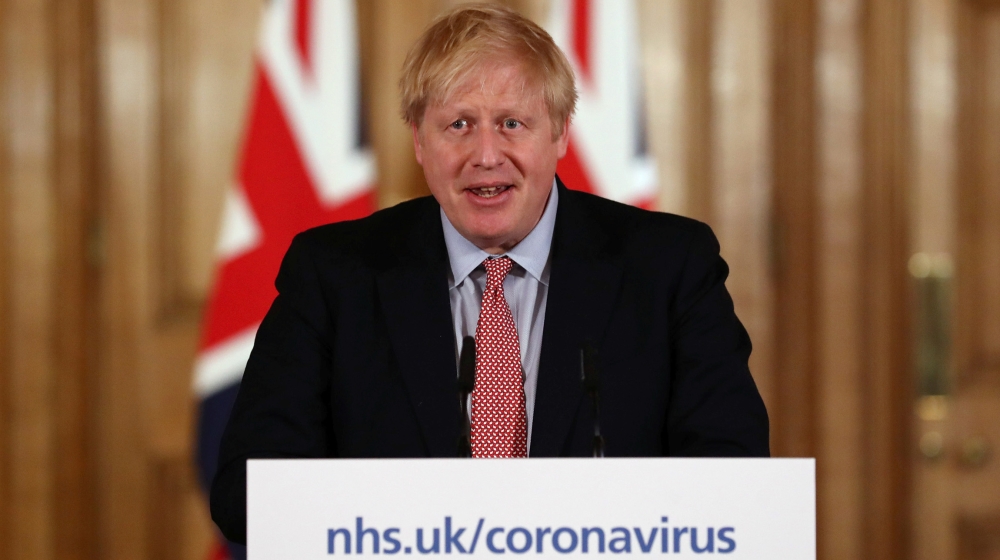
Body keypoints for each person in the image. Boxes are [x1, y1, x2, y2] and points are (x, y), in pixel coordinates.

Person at [211, 3, 768, 545]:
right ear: (419, 142)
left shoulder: (668, 266)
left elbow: (732, 475)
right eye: (458, 125)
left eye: (511, 123)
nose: (486, 155)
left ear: (559, 133)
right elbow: (247, 493)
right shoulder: (336, 273)